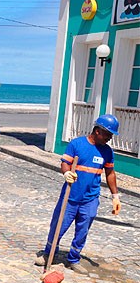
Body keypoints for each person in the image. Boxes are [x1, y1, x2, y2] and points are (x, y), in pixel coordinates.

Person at [35, 114, 121, 274]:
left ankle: (73, 259)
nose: (110, 138)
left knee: (82, 231)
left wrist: (115, 195)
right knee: (58, 227)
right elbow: (65, 163)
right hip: (70, 197)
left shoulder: (107, 152)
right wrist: (66, 173)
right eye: (108, 134)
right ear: (97, 131)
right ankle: (49, 254)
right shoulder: (77, 144)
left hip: (90, 199)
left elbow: (110, 173)